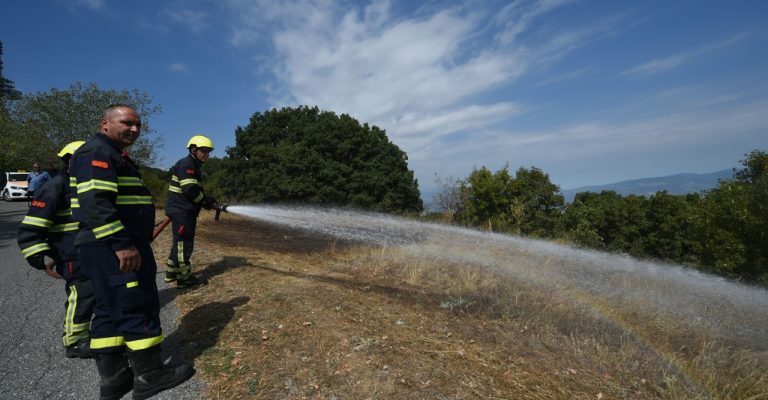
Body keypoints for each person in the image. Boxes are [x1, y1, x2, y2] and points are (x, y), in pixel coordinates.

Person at [70, 104, 194, 400]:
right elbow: (95, 203)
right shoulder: (97, 153)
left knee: (108, 309)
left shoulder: (110, 153)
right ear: (105, 124)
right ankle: (150, 375)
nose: (134, 130)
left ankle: (114, 378)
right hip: (114, 246)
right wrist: (122, 244)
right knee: (134, 304)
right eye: (127, 123)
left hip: (104, 245)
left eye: (138, 125)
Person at [17, 141, 95, 359]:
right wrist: (41, 259)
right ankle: (75, 340)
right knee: (82, 294)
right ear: (69, 161)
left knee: (95, 293)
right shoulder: (57, 185)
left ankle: (90, 333)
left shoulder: (89, 184)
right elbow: (30, 228)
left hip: (90, 251)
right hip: (70, 252)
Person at [163, 134, 217, 289]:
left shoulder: (193, 165)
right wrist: (205, 201)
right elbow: (190, 190)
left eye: (208, 152)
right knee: (183, 246)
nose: (207, 155)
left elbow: (193, 190)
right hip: (182, 211)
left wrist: (206, 200)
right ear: (194, 150)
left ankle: (171, 273)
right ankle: (184, 279)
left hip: (184, 211)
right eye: (204, 151)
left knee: (179, 243)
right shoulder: (187, 164)